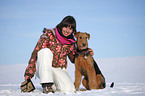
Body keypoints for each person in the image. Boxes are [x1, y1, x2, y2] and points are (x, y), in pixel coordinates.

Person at [24, 16, 77, 93]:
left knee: (69, 90)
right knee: (45, 51)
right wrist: (29, 73)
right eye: (65, 27)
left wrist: (85, 52)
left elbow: (74, 59)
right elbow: (36, 52)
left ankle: (53, 85)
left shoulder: (70, 42)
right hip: (44, 67)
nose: (67, 30)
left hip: (58, 69)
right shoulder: (50, 34)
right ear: (61, 26)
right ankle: (46, 84)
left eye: (70, 28)